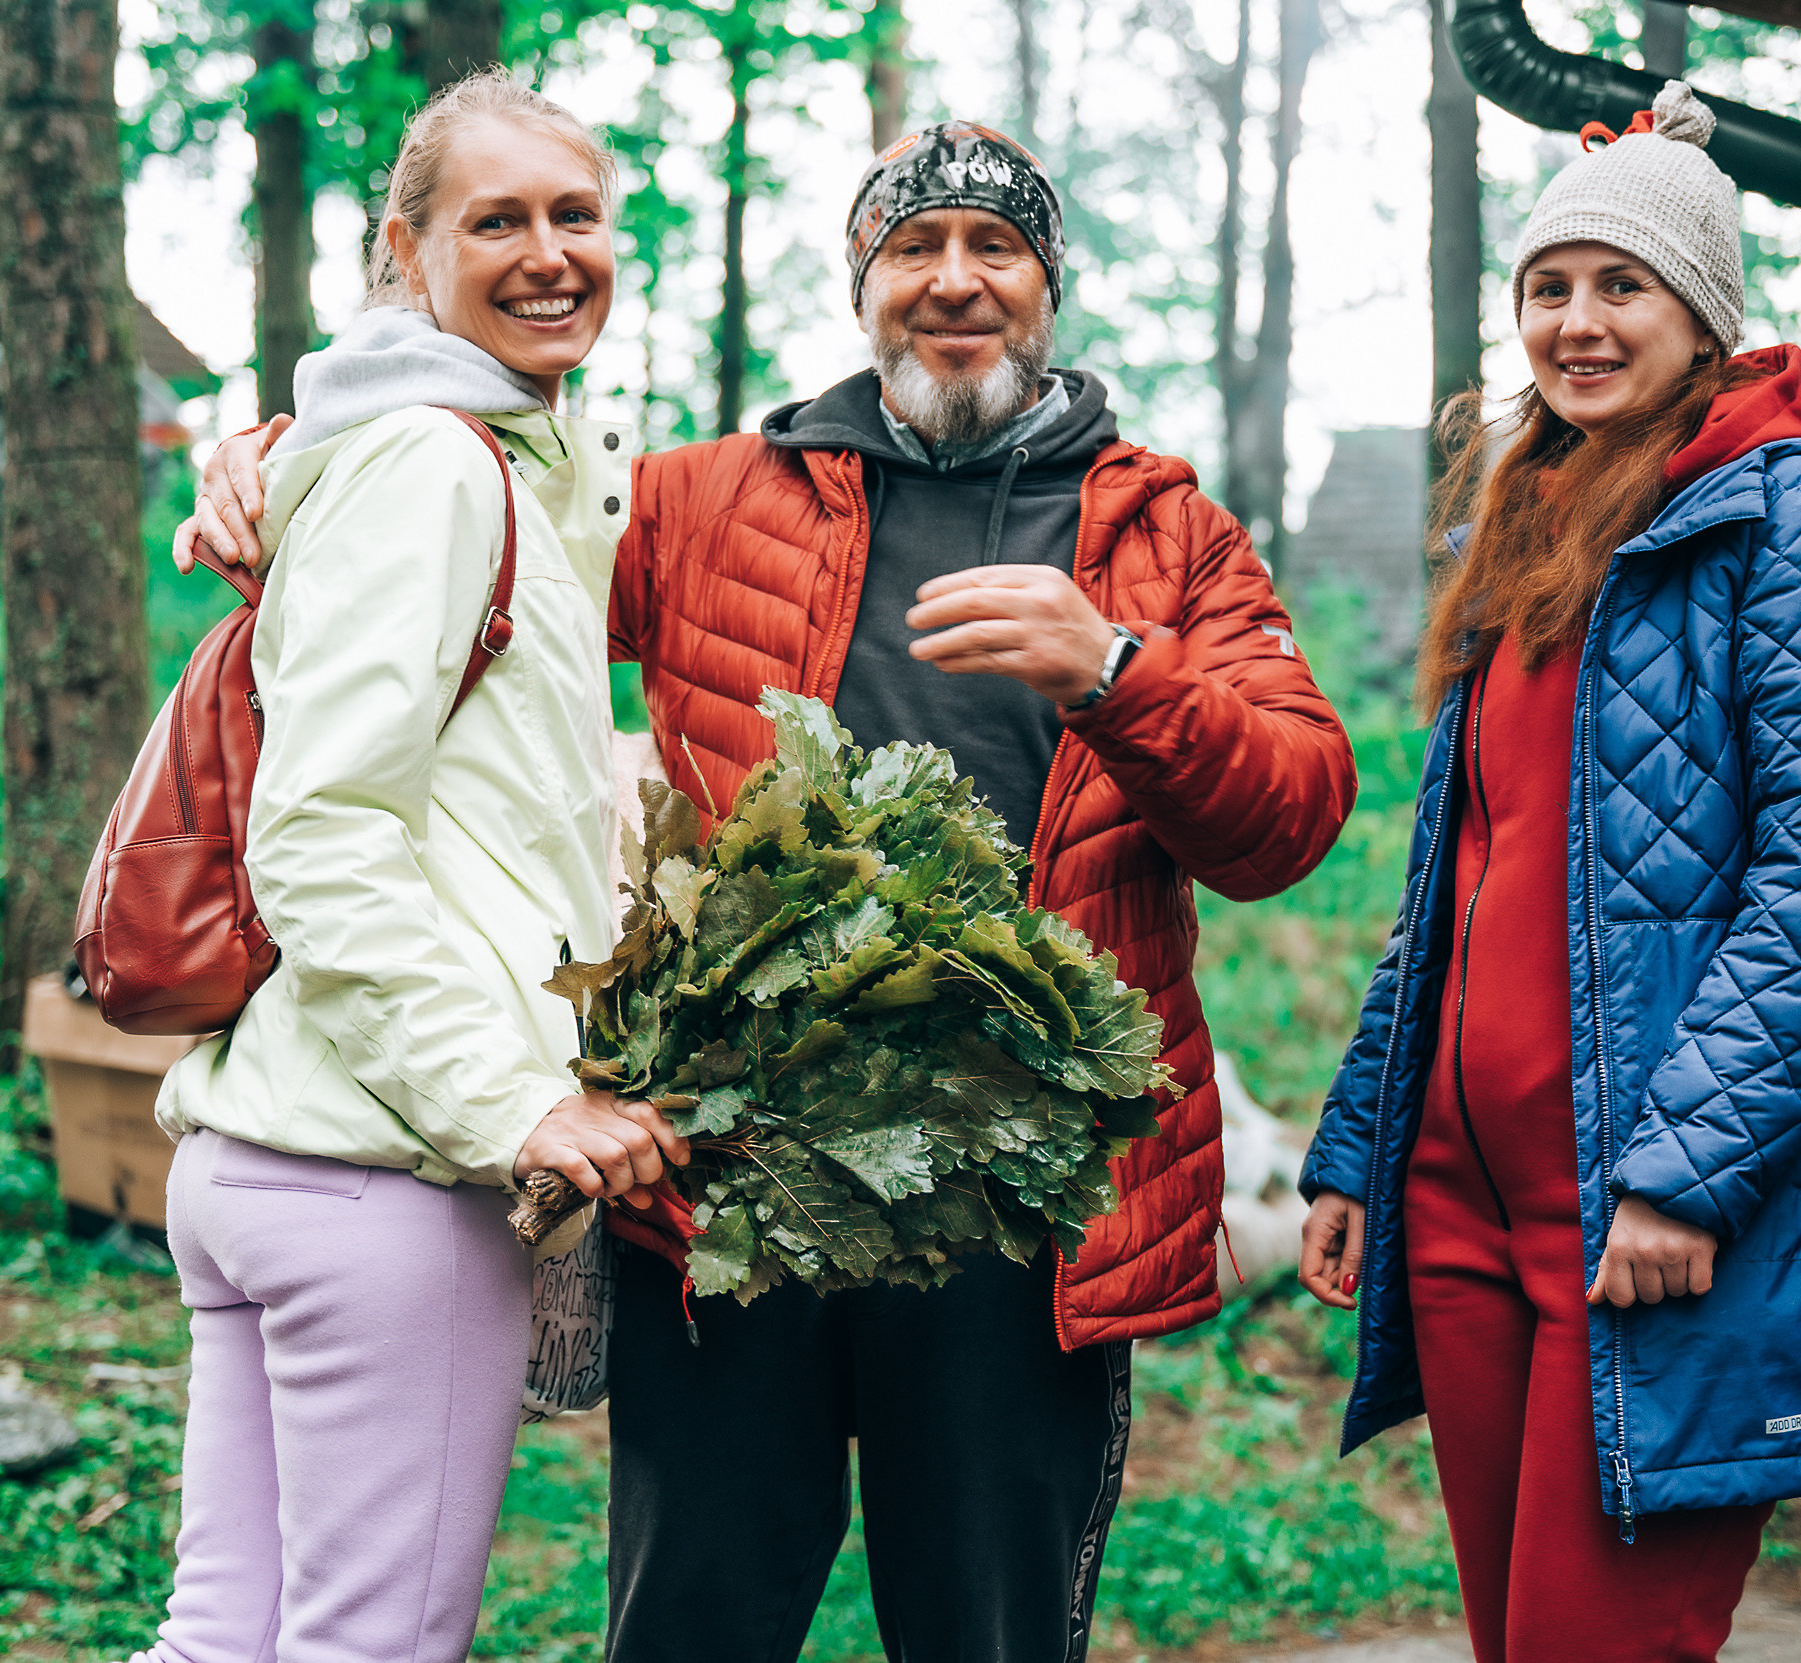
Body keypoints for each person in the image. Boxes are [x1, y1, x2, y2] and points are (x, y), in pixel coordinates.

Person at [187, 119, 1357, 1663]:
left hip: (1019, 1216)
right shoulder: (700, 498)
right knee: (693, 1624)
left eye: (995, 248)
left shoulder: (1168, 536)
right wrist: (283, 459)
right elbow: (467, 549)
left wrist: (1117, 670)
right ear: (862, 286)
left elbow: (1288, 822)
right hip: (734, 1187)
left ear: (1047, 284)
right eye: (913, 248)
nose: (955, 282)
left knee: (991, 1633)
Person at [1295, 84, 1801, 1663]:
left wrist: (1685, 1173)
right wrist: (1365, 1145)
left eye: (1622, 285)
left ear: (1702, 314)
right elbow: (1453, 887)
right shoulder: (1530, 528)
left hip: (1638, 1210)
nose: (1577, 324)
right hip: (1461, 1200)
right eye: (1549, 287)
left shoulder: (1797, 525)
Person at [128, 72, 688, 1663]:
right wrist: (508, 1106)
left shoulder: (451, 453)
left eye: (575, 215)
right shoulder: (437, 465)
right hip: (383, 1170)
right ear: (406, 250)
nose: (548, 254)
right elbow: (322, 830)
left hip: (269, 1148)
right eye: (495, 221)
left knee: (226, 1637)